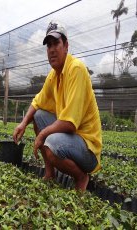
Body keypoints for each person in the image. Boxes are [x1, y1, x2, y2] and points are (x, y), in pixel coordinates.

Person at [13, 20, 102, 191]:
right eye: (49, 45)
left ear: (66, 45)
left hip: (87, 147)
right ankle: (49, 173)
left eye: (56, 43)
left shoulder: (75, 69)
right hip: (71, 138)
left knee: (51, 144)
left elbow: (69, 123)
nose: (52, 49)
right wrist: (23, 123)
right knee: (38, 115)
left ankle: (81, 177)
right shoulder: (54, 75)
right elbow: (37, 102)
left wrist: (42, 135)